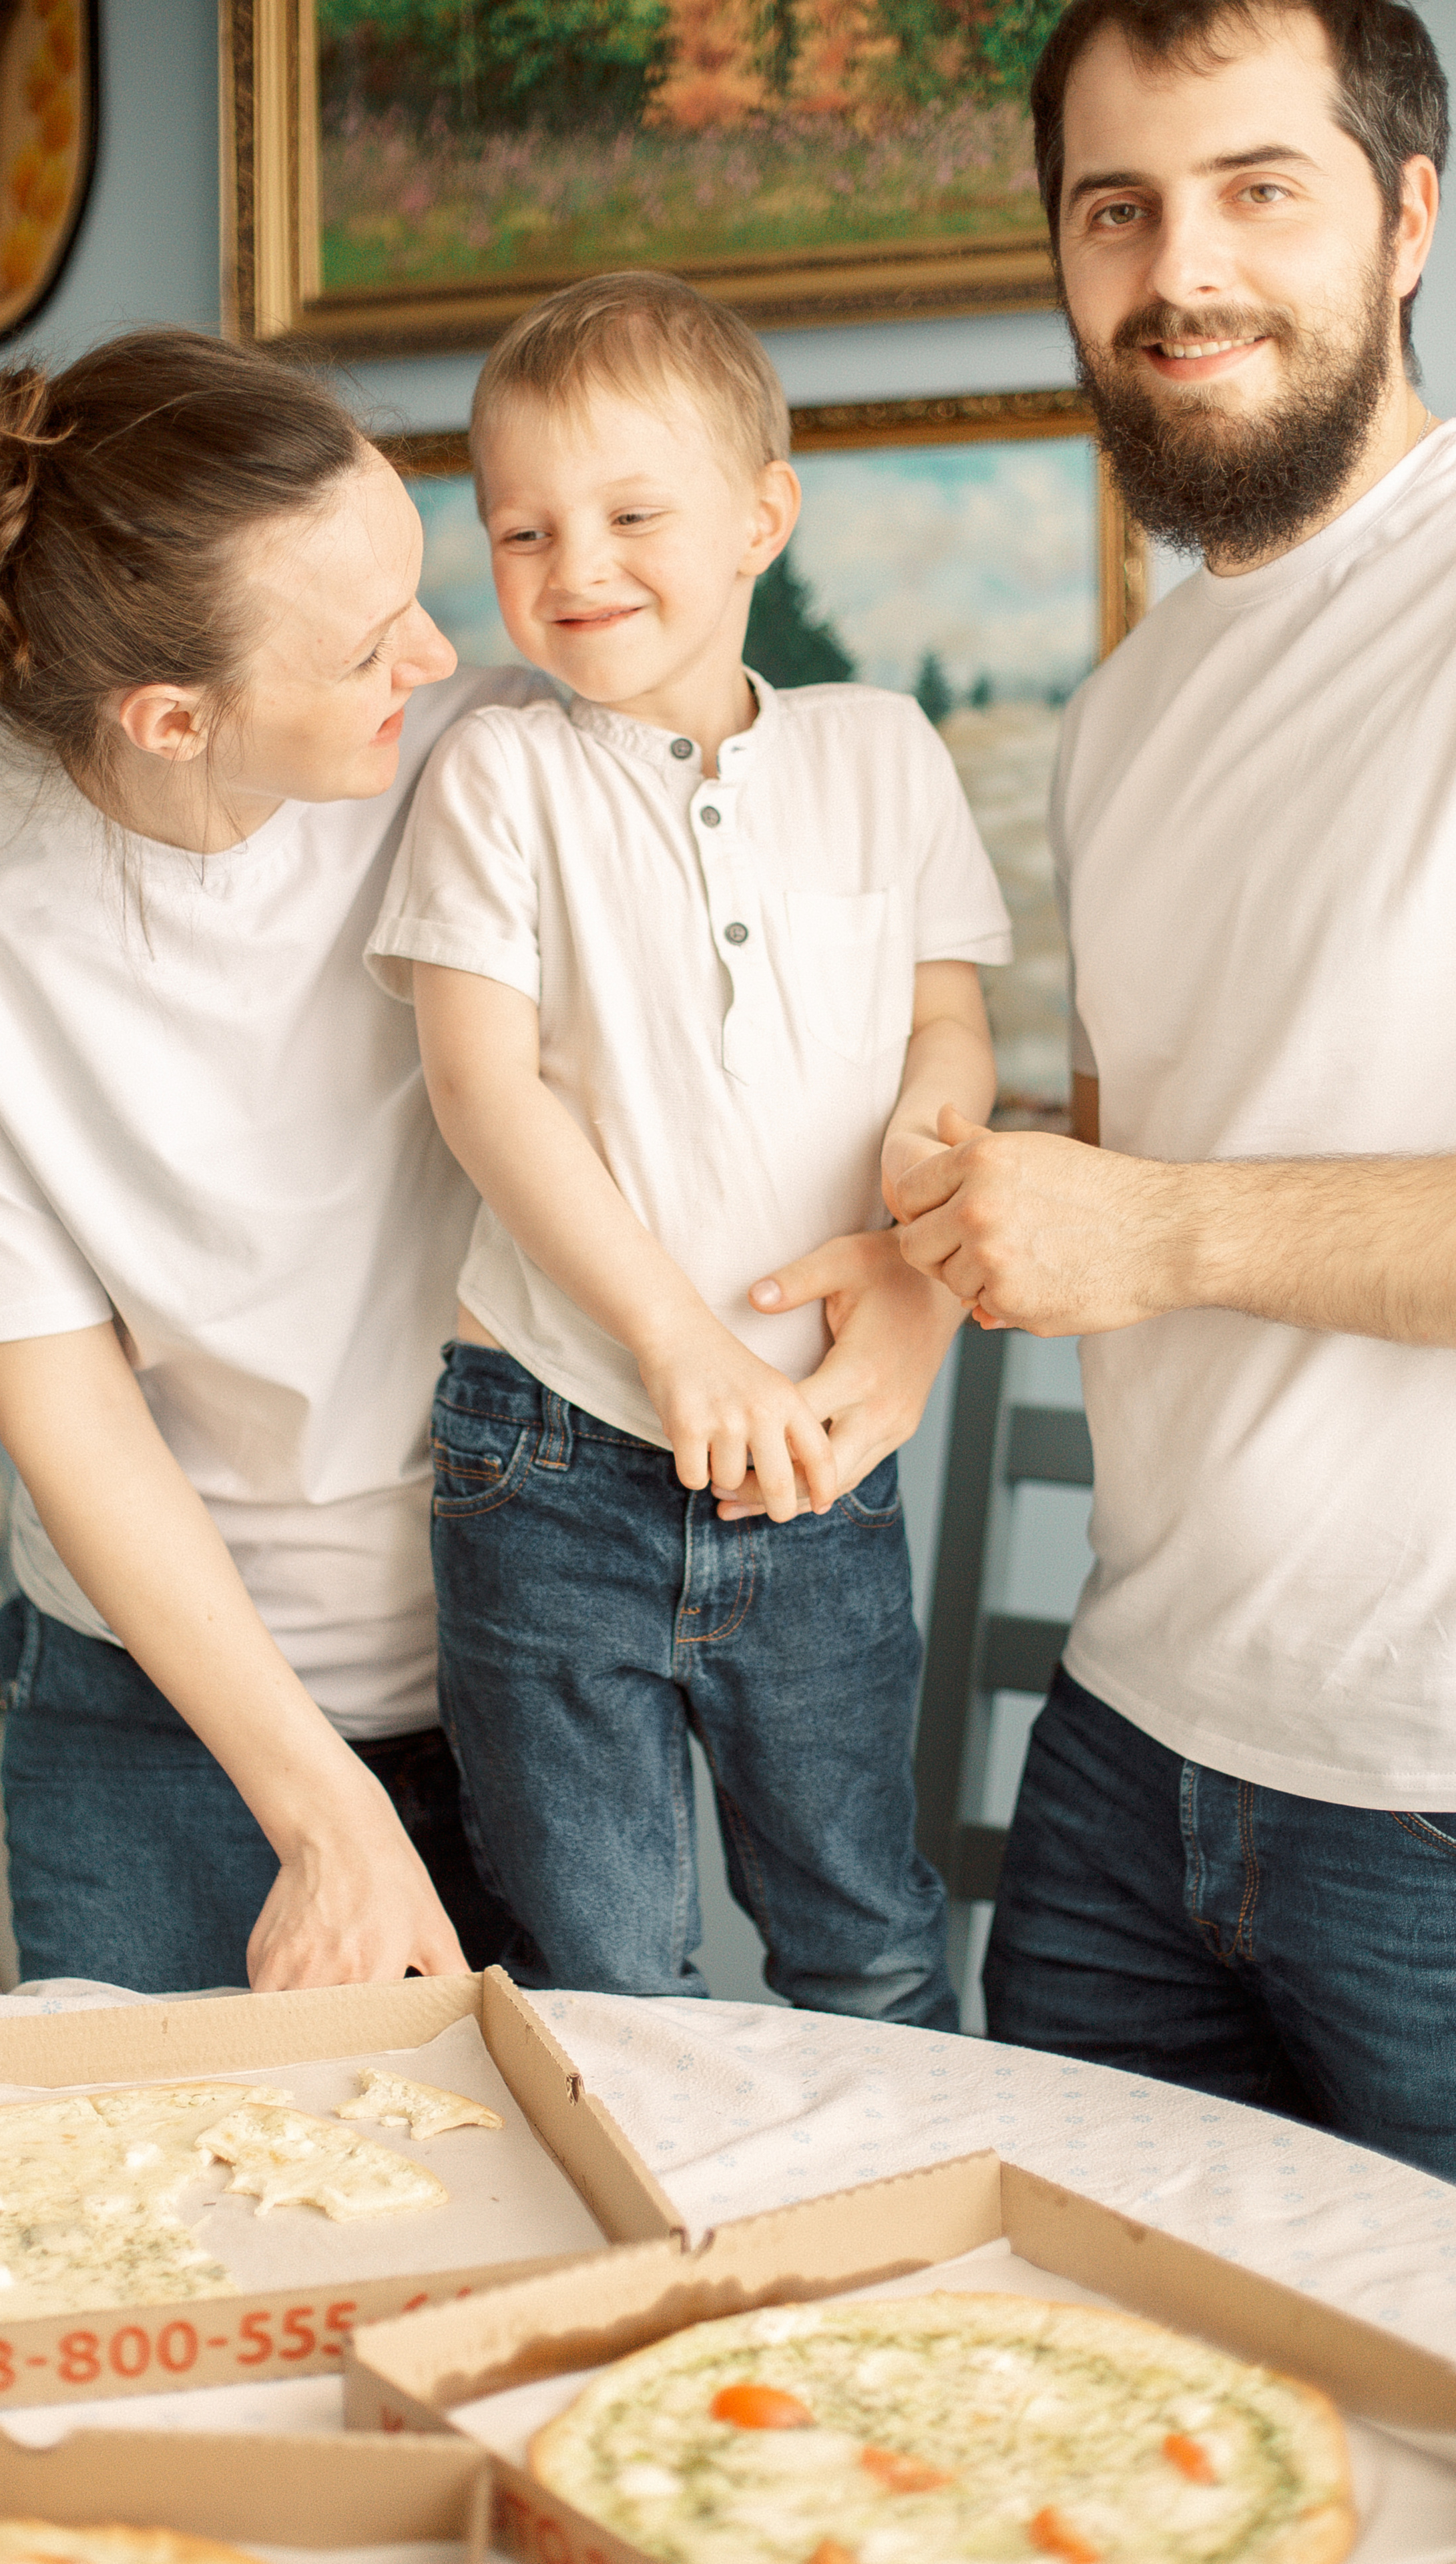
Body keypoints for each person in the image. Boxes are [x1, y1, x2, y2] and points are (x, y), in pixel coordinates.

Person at [0, 327, 547, 1995]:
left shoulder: (485, 759)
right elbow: (66, 1406)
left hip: (531, 1649)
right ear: (167, 716)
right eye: (367, 650)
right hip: (154, 1716)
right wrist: (327, 1816)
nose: (434, 655)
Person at [887, 0, 1456, 2174]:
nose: (1178, 270)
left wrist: (1169, 1225)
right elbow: (1117, 1179)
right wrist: (937, 1238)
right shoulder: (1120, 718)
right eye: (1115, 208)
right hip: (1128, 1761)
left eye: (1257, 190)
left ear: (1409, 215)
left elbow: (1161, 1218)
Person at [367, 273, 1011, 2016]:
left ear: (760, 517)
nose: (575, 567)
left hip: (815, 1454)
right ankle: (649, 2286)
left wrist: (920, 1212)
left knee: (867, 1939)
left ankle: (881, 2271)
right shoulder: (503, 778)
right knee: (597, 1970)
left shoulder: (885, 755)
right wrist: (676, 1345)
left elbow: (950, 1028)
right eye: (522, 528)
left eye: (633, 514)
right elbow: (482, 1089)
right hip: (552, 1458)